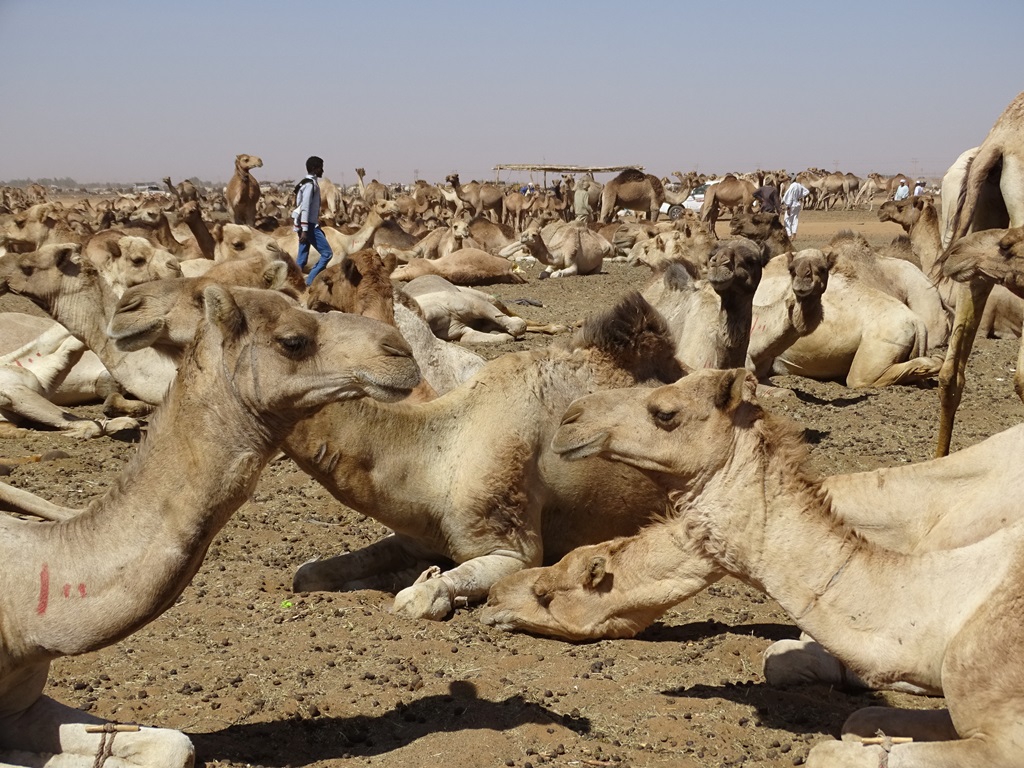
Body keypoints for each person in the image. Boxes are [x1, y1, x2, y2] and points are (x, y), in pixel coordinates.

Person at [293, 155, 333, 285]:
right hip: (308, 226)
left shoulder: (304, 183)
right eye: (321, 168)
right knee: (327, 254)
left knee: (302, 259)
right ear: (315, 169)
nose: (323, 171)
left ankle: (293, 283)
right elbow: (304, 208)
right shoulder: (310, 185)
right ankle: (309, 282)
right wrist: (305, 229)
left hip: (304, 224)